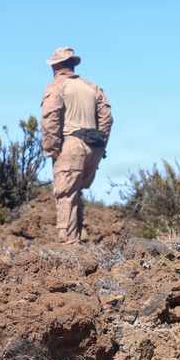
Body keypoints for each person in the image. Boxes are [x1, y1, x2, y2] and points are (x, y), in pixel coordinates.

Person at [40, 46, 112, 244]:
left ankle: (69, 247)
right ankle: (81, 236)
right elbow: (106, 118)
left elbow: (50, 117)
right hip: (93, 148)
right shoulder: (93, 87)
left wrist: (52, 149)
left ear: (56, 66)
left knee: (65, 194)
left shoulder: (56, 86)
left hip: (71, 146)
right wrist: (99, 146)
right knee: (75, 191)